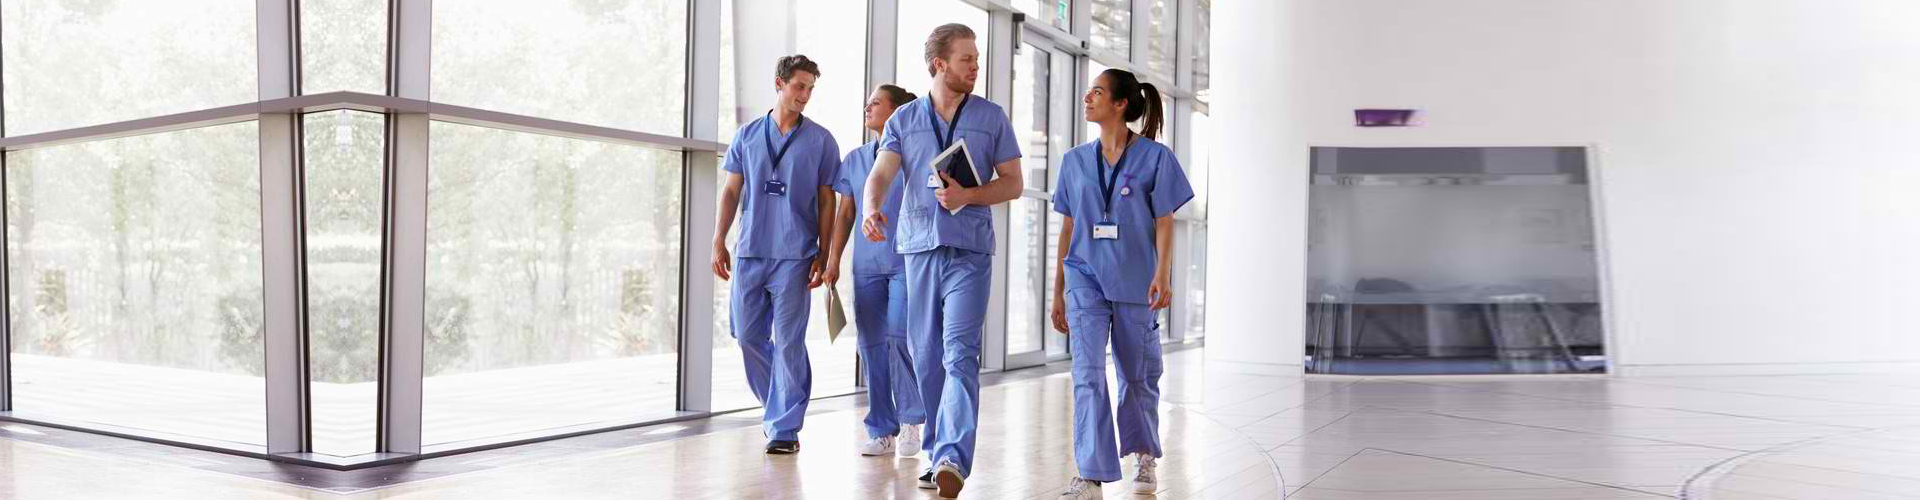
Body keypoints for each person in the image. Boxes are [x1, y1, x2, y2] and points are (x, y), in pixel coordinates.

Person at [859, 23, 1023, 499]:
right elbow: (881, 174)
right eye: (967, 59)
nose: (976, 66)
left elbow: (1012, 182)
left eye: (976, 58)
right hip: (918, 250)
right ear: (939, 64)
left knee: (958, 353)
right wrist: (871, 208)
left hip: (970, 252)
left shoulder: (991, 117)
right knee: (927, 355)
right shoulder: (904, 120)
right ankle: (935, 451)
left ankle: (952, 454)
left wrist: (969, 195)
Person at [1050, 68, 1191, 499]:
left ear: (1120, 104)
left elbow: (1165, 221)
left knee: (1137, 375)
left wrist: (1162, 274)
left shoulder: (1155, 157)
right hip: (1085, 277)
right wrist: (1057, 289)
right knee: (1087, 373)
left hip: (1136, 279)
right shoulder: (1074, 161)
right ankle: (1090, 474)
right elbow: (1068, 227)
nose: (1087, 96)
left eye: (1097, 91)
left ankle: (1143, 452)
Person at [711, 54, 840, 456]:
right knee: (747, 336)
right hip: (751, 251)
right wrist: (719, 239)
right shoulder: (747, 135)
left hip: (796, 255)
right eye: (799, 86)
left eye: (811, 89)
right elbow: (732, 191)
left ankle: (785, 427)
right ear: (779, 84)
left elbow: (826, 200)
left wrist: (824, 250)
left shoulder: (821, 140)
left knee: (788, 342)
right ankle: (777, 407)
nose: (805, 95)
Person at [823, 84, 927, 458]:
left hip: (906, 261)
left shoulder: (915, 156)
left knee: (899, 337)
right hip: (865, 266)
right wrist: (832, 260)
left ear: (898, 112)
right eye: (867, 101)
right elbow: (846, 213)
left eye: (876, 103)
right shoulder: (854, 159)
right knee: (870, 347)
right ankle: (882, 428)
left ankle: (912, 421)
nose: (867, 107)